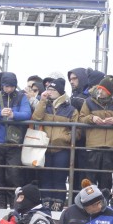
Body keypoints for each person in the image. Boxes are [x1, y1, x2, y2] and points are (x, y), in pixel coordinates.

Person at [0, 71, 31, 207]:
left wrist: (13, 115)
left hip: (14, 143)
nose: (9, 89)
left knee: (13, 175)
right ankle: (0, 205)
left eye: (11, 87)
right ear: (2, 85)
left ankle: (13, 205)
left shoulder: (22, 97)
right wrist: (0, 113)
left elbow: (27, 113)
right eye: (6, 86)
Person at [79, 75, 113, 191]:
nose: (100, 91)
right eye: (100, 88)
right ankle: (90, 200)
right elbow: (81, 118)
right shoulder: (89, 101)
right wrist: (92, 118)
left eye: (104, 90)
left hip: (110, 145)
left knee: (106, 177)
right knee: (90, 176)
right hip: (93, 144)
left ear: (110, 92)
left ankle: (104, 201)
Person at [33, 76, 78, 209]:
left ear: (60, 91)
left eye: (52, 89)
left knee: (59, 177)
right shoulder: (45, 105)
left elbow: (77, 130)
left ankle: (58, 202)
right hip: (45, 147)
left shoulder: (71, 109)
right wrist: (42, 100)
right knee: (45, 176)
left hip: (62, 148)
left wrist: (65, 138)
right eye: (48, 88)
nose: (49, 91)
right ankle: (46, 202)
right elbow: (36, 117)